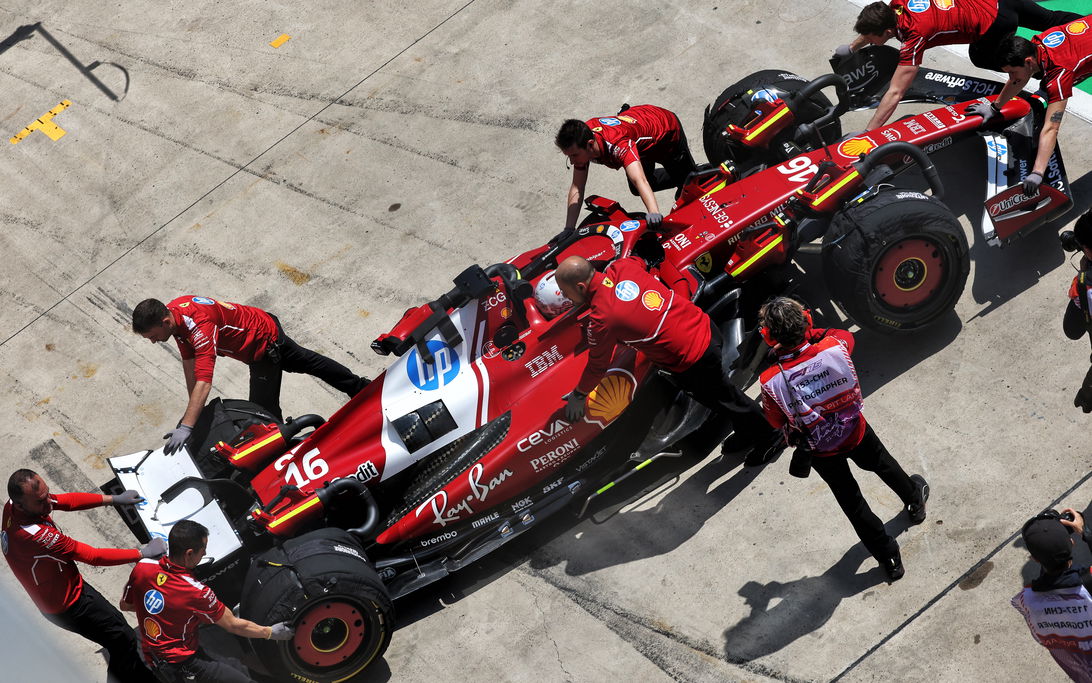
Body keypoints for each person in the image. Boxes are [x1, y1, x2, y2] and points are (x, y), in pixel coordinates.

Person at [756, 297, 928, 581]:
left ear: (769, 336)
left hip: (820, 450)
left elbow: (776, 421)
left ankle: (889, 557)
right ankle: (914, 501)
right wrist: (808, 333)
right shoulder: (835, 346)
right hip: (854, 432)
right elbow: (842, 334)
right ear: (807, 321)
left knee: (852, 503)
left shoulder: (770, 380)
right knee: (882, 463)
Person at [555, 255, 781, 461]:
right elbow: (643, 260)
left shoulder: (601, 319)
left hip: (692, 359)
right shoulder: (622, 267)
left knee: (727, 399)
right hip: (705, 328)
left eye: (565, 292)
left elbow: (597, 366)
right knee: (720, 398)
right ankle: (748, 431)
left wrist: (579, 394)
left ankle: (771, 434)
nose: (565, 297)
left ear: (580, 286)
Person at [132, 296, 370, 452]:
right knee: (308, 362)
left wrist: (187, 426)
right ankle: (360, 387)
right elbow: (189, 363)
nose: (153, 341)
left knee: (262, 412)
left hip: (263, 344)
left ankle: (286, 452)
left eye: (152, 336)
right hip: (260, 330)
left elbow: (204, 381)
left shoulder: (199, 326)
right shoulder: (177, 316)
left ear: (165, 322)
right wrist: (196, 410)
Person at [2, 469, 165, 683]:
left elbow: (65, 501)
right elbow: (93, 556)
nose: (49, 502)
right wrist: (141, 553)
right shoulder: (36, 535)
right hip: (70, 605)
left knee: (119, 636)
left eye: (47, 494)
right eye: (41, 501)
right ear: (21, 505)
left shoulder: (16, 506)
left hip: (63, 587)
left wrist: (113, 499)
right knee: (122, 638)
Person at [841, 1, 1079, 130]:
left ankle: (1041, 70)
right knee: (1051, 19)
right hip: (1001, 2)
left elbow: (896, 92)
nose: (868, 41)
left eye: (870, 38)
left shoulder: (915, 37)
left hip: (997, 23)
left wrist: (868, 132)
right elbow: (875, 26)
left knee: (980, 57)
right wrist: (852, 47)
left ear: (888, 31)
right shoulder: (896, 6)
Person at [121, 519, 293, 683]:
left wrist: (164, 610)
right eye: (203, 549)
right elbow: (232, 625)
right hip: (181, 662)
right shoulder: (197, 592)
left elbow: (125, 605)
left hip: (149, 649)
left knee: (235, 666)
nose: (205, 553)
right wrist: (269, 632)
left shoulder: (143, 567)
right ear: (189, 554)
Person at [977, 20, 1092, 198]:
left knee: (1052, 88)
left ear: (1029, 62)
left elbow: (1051, 127)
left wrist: (1038, 172)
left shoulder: (1059, 75)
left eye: (1012, 72)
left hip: (1070, 63)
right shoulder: (1037, 44)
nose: (1011, 77)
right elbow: (1019, 79)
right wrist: (994, 107)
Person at [556, 105, 696, 232]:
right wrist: (569, 228)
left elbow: (639, 179)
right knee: (637, 189)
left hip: (665, 132)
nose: (572, 162)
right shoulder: (582, 139)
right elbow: (577, 187)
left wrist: (653, 211)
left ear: (590, 144)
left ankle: (691, 172)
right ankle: (682, 173)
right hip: (640, 140)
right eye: (569, 157)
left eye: (574, 155)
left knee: (689, 186)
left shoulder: (618, 144)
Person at [1012, 507, 1092, 680]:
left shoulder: (1029, 600)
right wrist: (1085, 532)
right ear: (1072, 543)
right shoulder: (1088, 583)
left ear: (1034, 558)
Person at [1062, 213, 1092, 412]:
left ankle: (1086, 399)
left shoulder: (1086, 288)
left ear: (1086, 250)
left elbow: (1072, 331)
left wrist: (1082, 275)